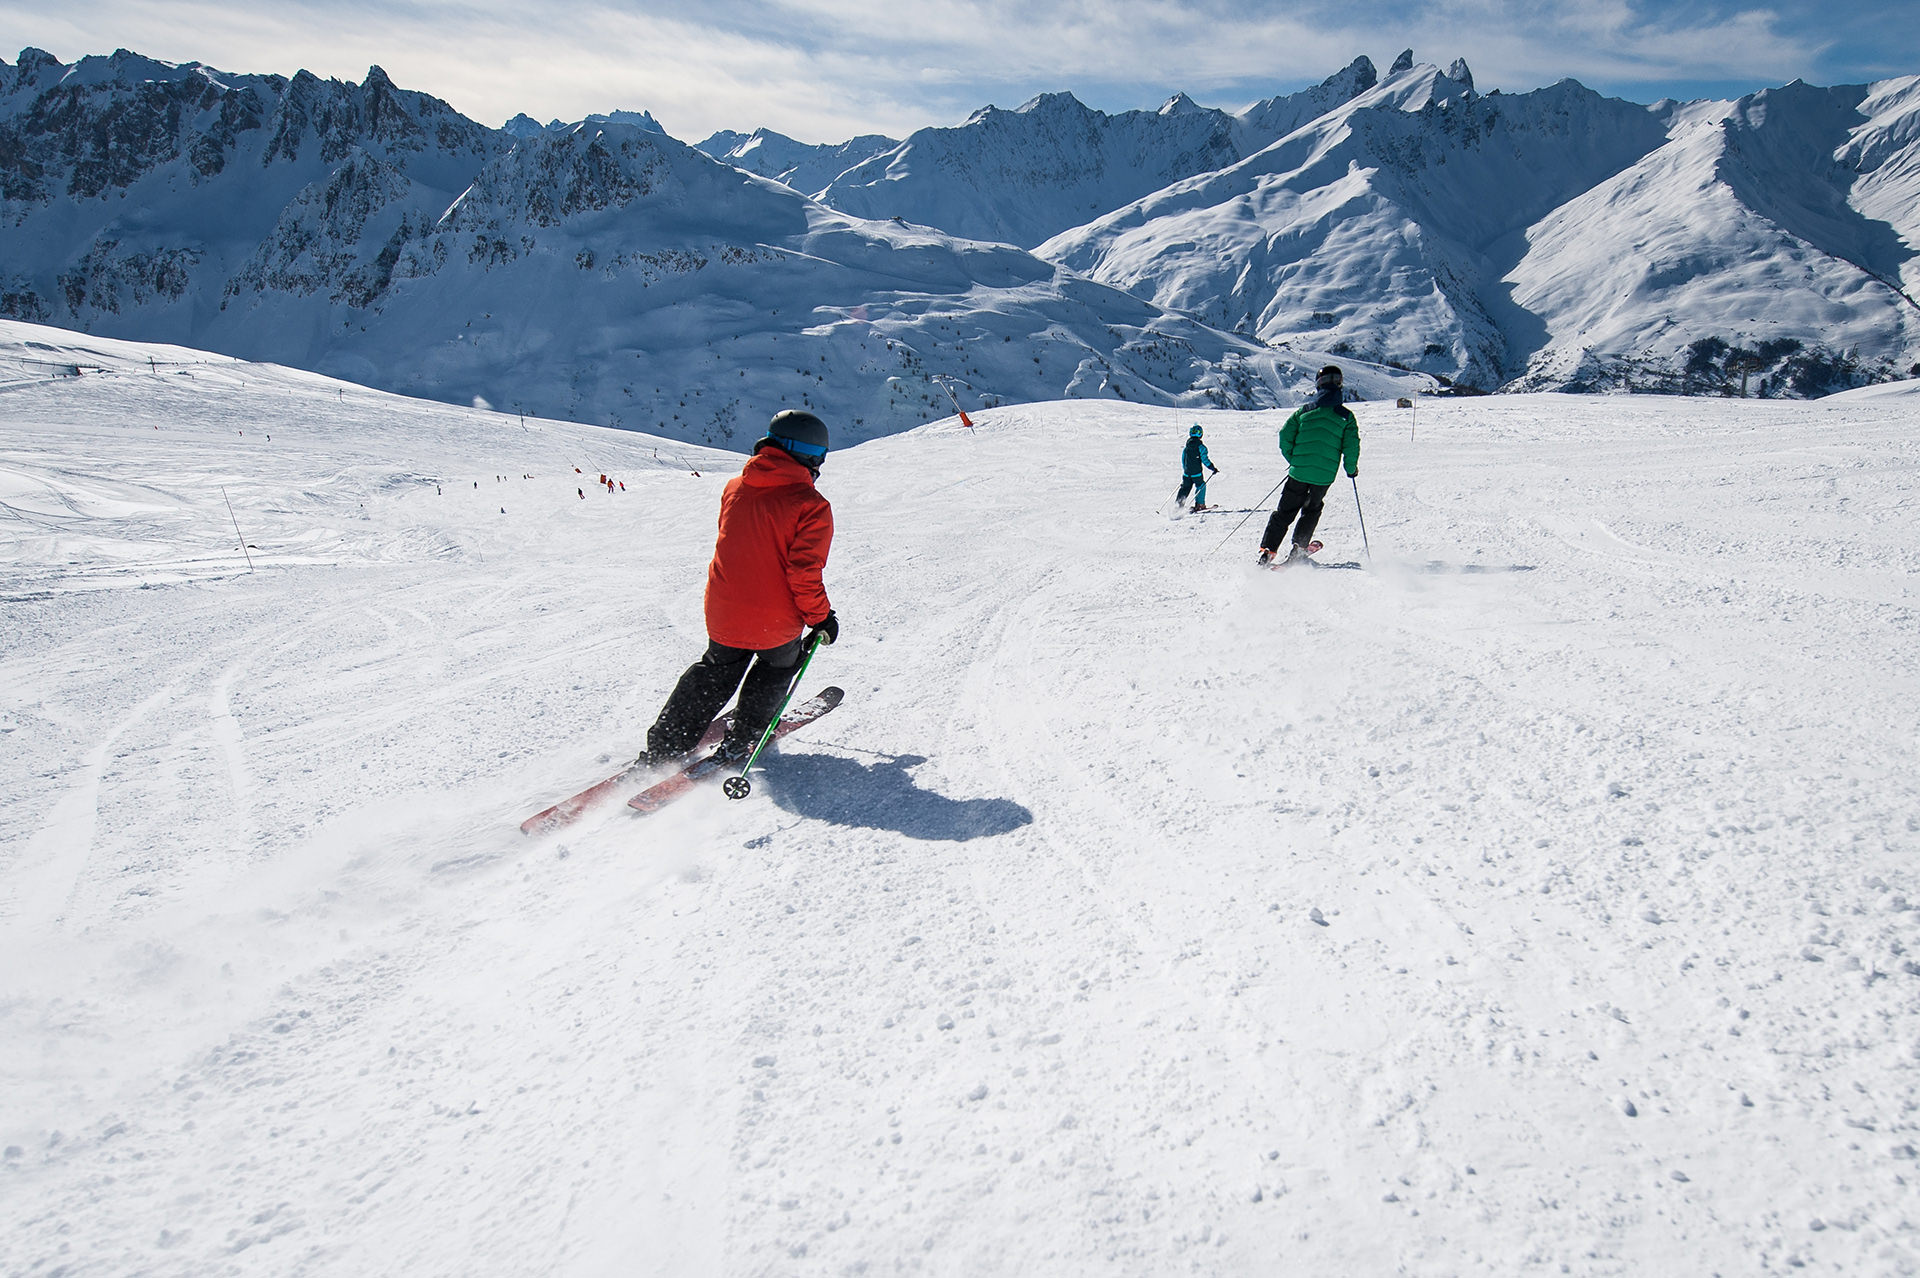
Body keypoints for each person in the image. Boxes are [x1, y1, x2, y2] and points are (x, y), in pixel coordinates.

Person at [637, 409, 839, 767]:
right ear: (810, 456)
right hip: (775, 619)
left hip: (724, 609)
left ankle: (665, 746)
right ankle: (742, 740)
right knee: (776, 668)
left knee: (715, 670)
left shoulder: (735, 487)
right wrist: (820, 619)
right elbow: (803, 572)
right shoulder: (811, 505)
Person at [1258, 365, 1360, 565]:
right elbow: (1351, 447)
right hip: (1323, 477)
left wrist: (1294, 460)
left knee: (1284, 512)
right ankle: (1299, 546)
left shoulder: (1304, 412)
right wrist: (1351, 469)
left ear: (1318, 385)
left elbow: (1284, 437)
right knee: (1312, 510)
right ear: (1340, 384)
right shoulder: (1346, 417)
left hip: (1299, 472)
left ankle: (1268, 550)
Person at [1175, 424, 1219, 510]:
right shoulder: (1201, 447)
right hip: (1197, 473)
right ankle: (1200, 504)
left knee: (1185, 488)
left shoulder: (1186, 447)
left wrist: (1186, 469)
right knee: (1201, 486)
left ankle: (1178, 505)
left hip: (1187, 473)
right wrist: (1212, 468)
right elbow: (1205, 459)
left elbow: (1183, 459)